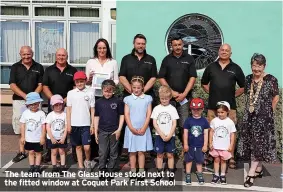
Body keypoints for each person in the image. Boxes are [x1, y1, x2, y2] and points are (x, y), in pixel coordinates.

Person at [236, 53, 279, 188]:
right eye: (254, 65)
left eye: (259, 66)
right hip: (249, 117)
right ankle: (259, 169)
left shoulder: (271, 79)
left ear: (264, 66)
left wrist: (269, 112)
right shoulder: (248, 79)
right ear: (251, 66)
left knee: (258, 143)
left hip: (264, 118)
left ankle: (251, 173)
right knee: (252, 143)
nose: (256, 69)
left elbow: (276, 97)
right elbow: (245, 93)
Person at [201, 43, 245, 168]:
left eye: (227, 50)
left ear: (230, 53)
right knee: (212, 130)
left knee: (230, 132)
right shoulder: (211, 67)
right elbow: (204, 83)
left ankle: (230, 156)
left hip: (230, 107)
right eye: (222, 50)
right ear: (218, 51)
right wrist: (213, 93)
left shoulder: (236, 68)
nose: (224, 52)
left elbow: (243, 87)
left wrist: (232, 95)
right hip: (212, 107)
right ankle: (212, 154)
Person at [119, 34, 157, 159]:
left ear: (145, 45)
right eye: (138, 43)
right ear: (134, 44)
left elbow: (153, 77)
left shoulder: (151, 59)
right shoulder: (126, 59)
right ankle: (128, 149)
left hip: (145, 96)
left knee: (146, 121)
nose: (140, 45)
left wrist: (143, 91)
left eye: (143, 43)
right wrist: (132, 90)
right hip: (130, 96)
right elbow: (122, 76)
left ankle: (144, 150)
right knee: (129, 121)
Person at [159, 34, 197, 147]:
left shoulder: (189, 58)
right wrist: (171, 92)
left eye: (179, 44)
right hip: (169, 98)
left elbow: (193, 77)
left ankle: (184, 148)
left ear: (183, 44)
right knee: (168, 123)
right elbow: (161, 77)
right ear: (171, 46)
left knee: (184, 123)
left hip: (184, 98)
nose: (177, 47)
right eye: (175, 45)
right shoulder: (166, 60)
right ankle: (169, 149)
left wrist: (184, 94)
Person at [85, 38, 119, 161]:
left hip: (108, 97)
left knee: (108, 124)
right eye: (99, 48)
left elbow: (116, 80)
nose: (102, 50)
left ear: (107, 49)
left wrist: (109, 82)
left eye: (104, 48)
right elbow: (87, 82)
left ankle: (110, 154)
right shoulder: (90, 62)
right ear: (96, 49)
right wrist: (89, 78)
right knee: (95, 124)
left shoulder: (113, 62)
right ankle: (96, 154)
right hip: (95, 96)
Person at [10, 46, 44, 163]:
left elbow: (41, 84)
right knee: (20, 126)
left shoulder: (38, 67)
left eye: (28, 54)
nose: (26, 57)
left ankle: (36, 152)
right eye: (24, 54)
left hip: (35, 101)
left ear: (32, 54)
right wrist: (26, 97)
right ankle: (22, 152)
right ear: (20, 54)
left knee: (36, 126)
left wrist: (32, 98)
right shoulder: (15, 67)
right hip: (19, 101)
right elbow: (12, 85)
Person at [42, 48, 77, 163]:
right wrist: (53, 100)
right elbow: (45, 86)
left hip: (68, 104)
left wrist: (65, 100)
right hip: (53, 105)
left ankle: (70, 152)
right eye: (59, 55)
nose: (61, 57)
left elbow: (75, 87)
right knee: (52, 126)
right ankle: (50, 152)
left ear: (67, 56)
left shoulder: (72, 70)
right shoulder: (49, 70)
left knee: (67, 127)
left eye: (63, 55)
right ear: (56, 56)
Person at [123, 76, 153, 181]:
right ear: (131, 87)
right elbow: (126, 114)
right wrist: (131, 128)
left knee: (141, 151)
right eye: (134, 87)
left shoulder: (148, 98)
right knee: (132, 151)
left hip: (143, 129)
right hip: (131, 129)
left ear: (143, 87)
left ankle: (141, 171)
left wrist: (144, 127)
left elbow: (149, 113)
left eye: (138, 88)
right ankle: (133, 171)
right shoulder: (128, 99)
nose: (136, 90)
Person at [94, 80, 124, 180]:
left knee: (113, 152)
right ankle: (102, 170)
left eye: (110, 91)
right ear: (102, 90)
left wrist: (119, 129)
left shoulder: (118, 101)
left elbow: (121, 115)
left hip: (114, 131)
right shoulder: (98, 102)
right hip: (102, 130)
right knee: (102, 152)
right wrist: (95, 132)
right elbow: (96, 117)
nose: (107, 93)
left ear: (113, 91)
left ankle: (110, 171)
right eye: (105, 91)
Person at [66, 71, 95, 171]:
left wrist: (92, 125)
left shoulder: (90, 92)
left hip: (86, 124)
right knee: (77, 147)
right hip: (74, 125)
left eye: (81, 81)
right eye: (77, 81)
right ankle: (80, 165)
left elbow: (92, 109)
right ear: (75, 82)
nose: (79, 83)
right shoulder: (71, 93)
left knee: (86, 147)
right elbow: (68, 110)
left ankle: (87, 160)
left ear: (85, 81)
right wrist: (68, 124)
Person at [151, 85, 179, 182]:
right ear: (159, 97)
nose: (164, 101)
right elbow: (155, 123)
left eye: (166, 99)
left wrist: (170, 134)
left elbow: (174, 123)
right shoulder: (156, 109)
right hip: (159, 136)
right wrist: (162, 134)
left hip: (170, 136)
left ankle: (171, 175)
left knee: (170, 155)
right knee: (159, 155)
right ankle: (159, 174)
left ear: (170, 98)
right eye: (162, 99)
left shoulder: (172, 109)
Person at [183, 98, 209, 185]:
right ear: (191, 109)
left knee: (199, 161)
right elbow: (185, 133)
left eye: (198, 109)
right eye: (194, 109)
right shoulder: (188, 120)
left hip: (200, 145)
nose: (196, 111)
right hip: (190, 145)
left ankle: (200, 173)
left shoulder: (204, 121)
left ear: (202, 109)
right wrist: (185, 144)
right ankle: (188, 174)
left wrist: (205, 145)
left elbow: (206, 134)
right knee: (188, 160)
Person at [209, 101, 236, 185]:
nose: (220, 114)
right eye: (218, 112)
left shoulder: (230, 122)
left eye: (222, 112)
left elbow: (232, 135)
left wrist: (231, 145)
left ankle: (223, 175)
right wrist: (210, 143)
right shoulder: (214, 121)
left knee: (224, 161)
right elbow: (211, 132)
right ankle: (216, 175)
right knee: (216, 160)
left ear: (227, 111)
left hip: (225, 146)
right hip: (216, 146)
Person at [20, 92, 46, 174]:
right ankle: (31, 166)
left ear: (38, 103)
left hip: (38, 138)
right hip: (29, 138)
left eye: (35, 104)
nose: (33, 106)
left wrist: (42, 137)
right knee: (30, 152)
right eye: (31, 104)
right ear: (28, 105)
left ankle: (37, 167)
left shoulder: (41, 113)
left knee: (38, 153)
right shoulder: (25, 113)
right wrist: (23, 137)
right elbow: (22, 125)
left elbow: (43, 126)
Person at [45, 94, 67, 174]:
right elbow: (48, 127)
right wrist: (52, 138)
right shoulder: (50, 115)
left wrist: (64, 137)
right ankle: (54, 166)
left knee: (62, 152)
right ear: (52, 106)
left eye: (60, 104)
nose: (58, 107)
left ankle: (62, 166)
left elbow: (66, 127)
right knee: (53, 152)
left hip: (61, 137)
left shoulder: (64, 115)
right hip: (52, 138)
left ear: (62, 105)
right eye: (56, 105)